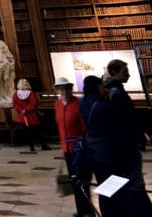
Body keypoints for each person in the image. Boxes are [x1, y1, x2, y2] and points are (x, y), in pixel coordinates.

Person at [98, 60, 152, 216]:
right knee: (132, 178)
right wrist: (136, 134)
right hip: (125, 144)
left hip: (120, 144)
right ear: (114, 72)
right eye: (124, 71)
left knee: (126, 178)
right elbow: (123, 119)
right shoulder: (115, 92)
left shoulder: (111, 91)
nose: (128, 74)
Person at [54, 77, 94, 217]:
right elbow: (60, 127)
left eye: (66, 88)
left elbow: (85, 127)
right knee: (74, 181)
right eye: (61, 88)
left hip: (79, 148)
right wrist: (64, 146)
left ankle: (88, 211)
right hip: (67, 148)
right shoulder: (58, 104)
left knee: (82, 180)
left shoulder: (78, 103)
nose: (64, 91)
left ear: (71, 89)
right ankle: (81, 210)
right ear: (57, 90)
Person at [12, 79, 50, 151]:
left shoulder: (16, 94)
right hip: (31, 116)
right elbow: (34, 104)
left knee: (27, 132)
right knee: (38, 131)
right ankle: (43, 145)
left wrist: (22, 110)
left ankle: (31, 147)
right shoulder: (31, 94)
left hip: (22, 116)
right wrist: (26, 109)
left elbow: (15, 104)